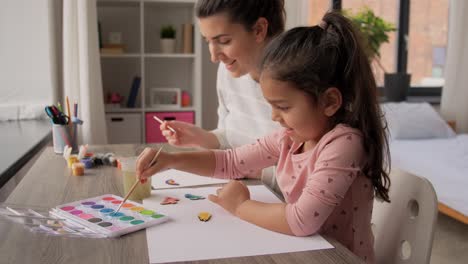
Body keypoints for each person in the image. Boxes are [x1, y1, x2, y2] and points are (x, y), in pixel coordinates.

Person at [138, 11, 391, 263]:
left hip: (338, 258)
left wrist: (240, 206)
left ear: (330, 102)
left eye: (283, 107)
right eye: (271, 106)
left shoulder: (344, 144)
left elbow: (301, 220)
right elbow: (231, 161)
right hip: (303, 251)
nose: (274, 117)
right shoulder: (291, 137)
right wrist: (171, 160)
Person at [158, 0, 286, 193]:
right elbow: (231, 138)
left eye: (224, 41)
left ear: (259, 29)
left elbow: (317, 173)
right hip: (241, 189)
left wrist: (259, 172)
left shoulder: (298, 84)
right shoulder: (228, 71)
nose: (214, 56)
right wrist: (202, 137)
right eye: (208, 41)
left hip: (283, 207)